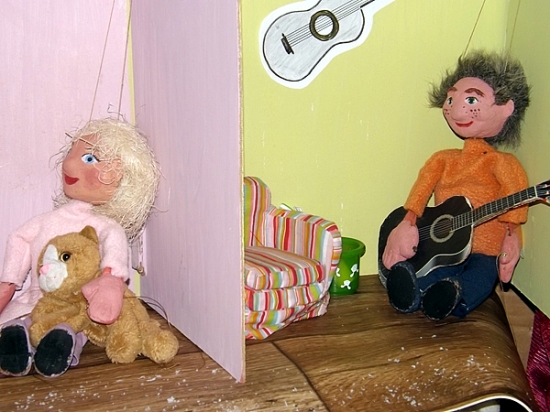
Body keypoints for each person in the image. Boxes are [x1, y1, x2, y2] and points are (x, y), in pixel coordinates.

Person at [0, 118, 160, 377]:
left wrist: (109, 280)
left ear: (120, 176)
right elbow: (19, 239)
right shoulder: (47, 221)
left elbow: (115, 250)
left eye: (89, 159)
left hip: (81, 305)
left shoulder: (105, 226)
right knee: (23, 322)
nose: (69, 164)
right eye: (72, 154)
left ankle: (61, 344)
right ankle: (17, 342)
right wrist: (8, 282)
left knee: (77, 326)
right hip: (37, 300)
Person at [380, 50, 530, 321]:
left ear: (506, 108)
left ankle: (453, 297)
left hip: (486, 249)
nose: (455, 108)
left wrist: (512, 237)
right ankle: (412, 290)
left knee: (483, 276)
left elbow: (515, 202)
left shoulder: (502, 163)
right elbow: (420, 192)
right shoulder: (443, 159)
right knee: (437, 269)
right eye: (451, 99)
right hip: (444, 246)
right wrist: (407, 223)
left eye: (471, 99)